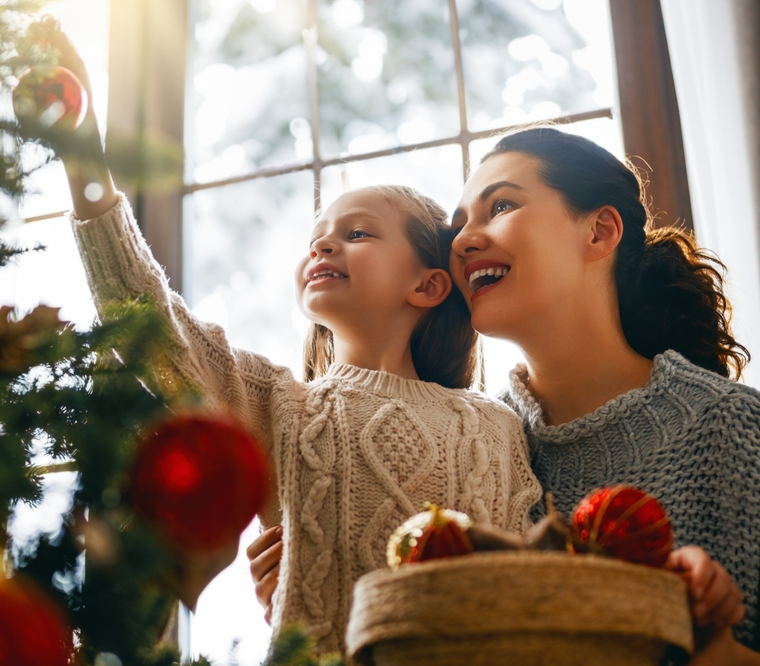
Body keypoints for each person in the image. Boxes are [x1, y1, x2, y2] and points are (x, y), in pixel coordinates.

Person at [51, 29, 542, 652]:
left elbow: (530, 580)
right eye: (318, 236)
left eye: (358, 233)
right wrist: (80, 156)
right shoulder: (282, 406)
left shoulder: (495, 426)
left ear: (428, 284)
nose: (324, 244)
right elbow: (150, 316)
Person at [250, 126, 759, 663]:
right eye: (458, 227)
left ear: (599, 232)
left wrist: (719, 651)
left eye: (501, 206)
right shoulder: (477, 449)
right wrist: (315, 591)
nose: (463, 241)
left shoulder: (733, 430)